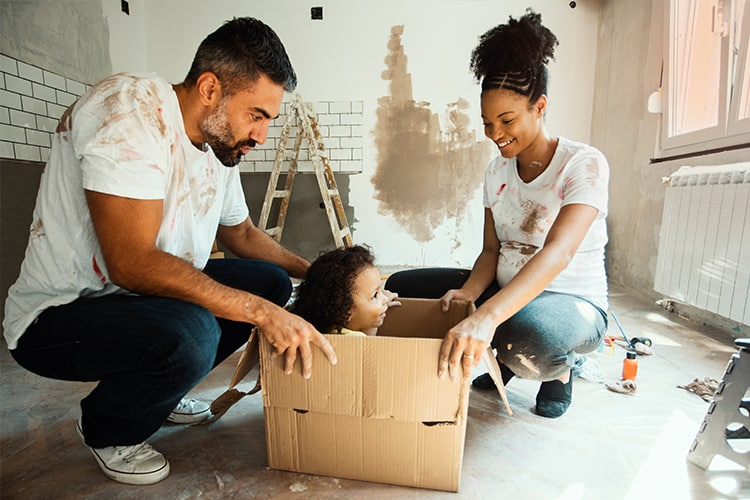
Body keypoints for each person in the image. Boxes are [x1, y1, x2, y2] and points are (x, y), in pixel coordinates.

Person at [2, 17, 337, 485]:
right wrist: (259, 314)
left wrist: (317, 271)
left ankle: (159, 391)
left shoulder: (220, 145)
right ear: (209, 88)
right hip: (58, 314)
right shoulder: (130, 109)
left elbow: (239, 235)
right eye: (256, 115)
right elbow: (132, 264)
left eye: (268, 121)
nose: (261, 135)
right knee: (194, 333)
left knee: (271, 282)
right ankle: (108, 429)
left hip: (137, 302)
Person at [385, 9, 609, 419]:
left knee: (528, 337)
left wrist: (487, 316)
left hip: (568, 301)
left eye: (507, 120)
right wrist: (469, 296)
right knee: (402, 288)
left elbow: (558, 253)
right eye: (488, 122)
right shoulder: (497, 171)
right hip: (508, 291)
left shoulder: (583, 164)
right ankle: (504, 354)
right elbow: (492, 250)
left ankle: (559, 371)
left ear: (539, 107)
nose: (495, 134)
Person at [289, 245, 399, 337]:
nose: (384, 299)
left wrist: (378, 307)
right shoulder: (353, 339)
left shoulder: (331, 327)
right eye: (375, 295)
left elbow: (368, 332)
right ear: (345, 311)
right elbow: (370, 343)